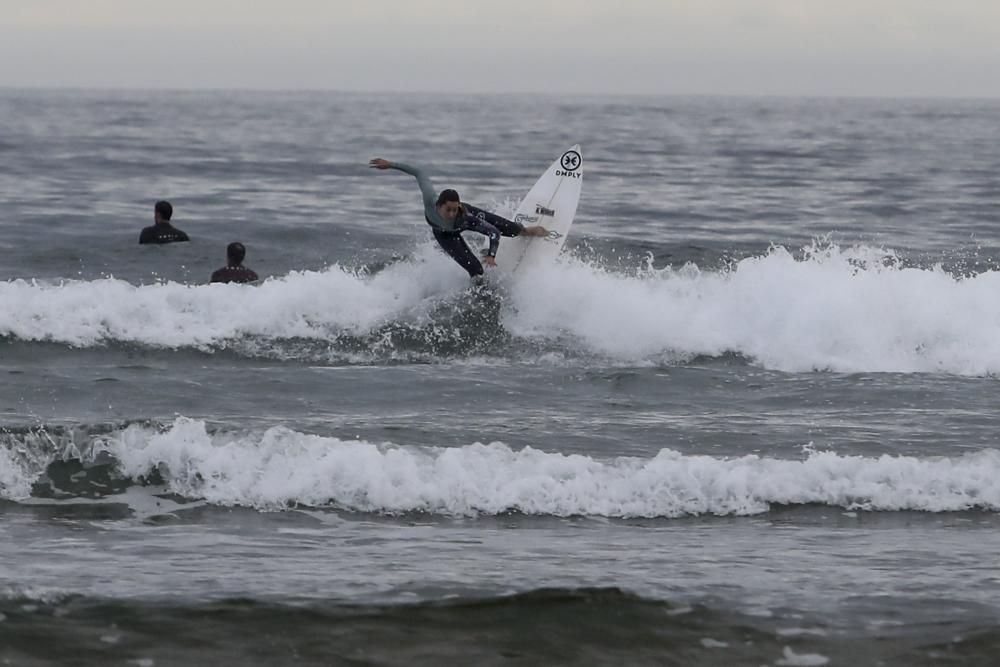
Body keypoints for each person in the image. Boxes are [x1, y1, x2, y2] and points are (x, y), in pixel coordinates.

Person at [368, 158, 548, 278]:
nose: (453, 213)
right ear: (439, 205)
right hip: (444, 235)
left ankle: (526, 231)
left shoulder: (463, 216)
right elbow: (419, 173)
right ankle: (480, 294)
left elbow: (493, 232)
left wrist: (492, 256)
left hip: (466, 220)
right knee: (476, 271)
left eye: (455, 208)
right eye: (449, 209)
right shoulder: (430, 200)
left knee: (510, 230)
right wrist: (391, 164)